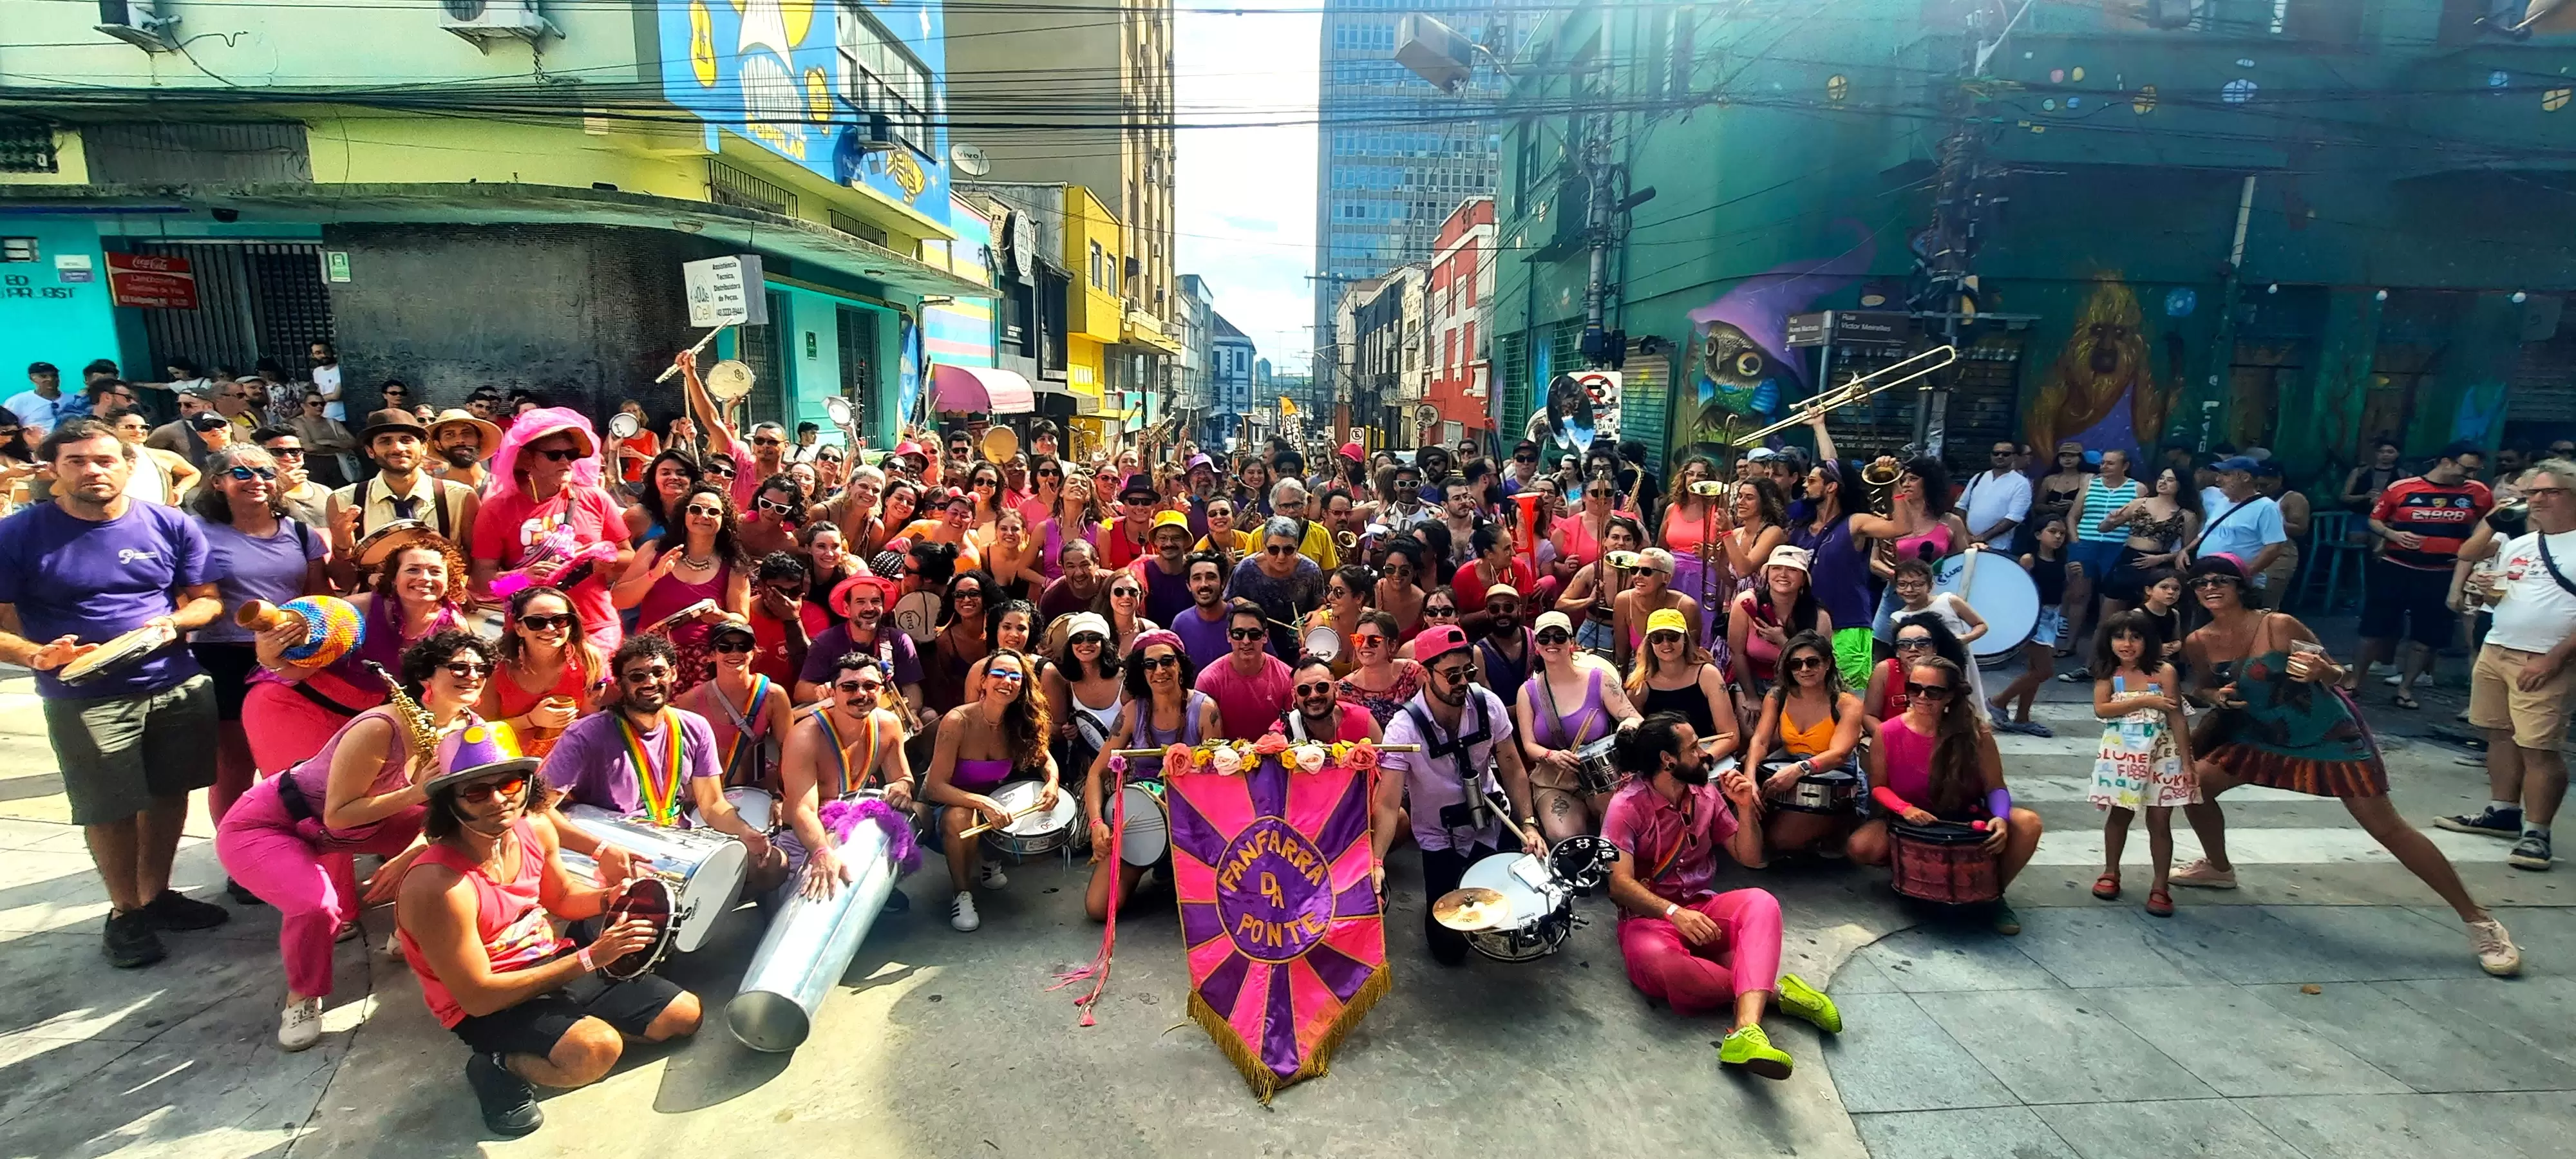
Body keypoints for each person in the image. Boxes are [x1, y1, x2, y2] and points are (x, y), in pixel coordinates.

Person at [2175, 556, 2519, 974]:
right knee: (2192, 786)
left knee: (2387, 827)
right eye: (2200, 583)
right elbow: (2204, 689)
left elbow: (2340, 673)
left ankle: (2479, 919)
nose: (2210, 587)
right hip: (2259, 736)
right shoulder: (2198, 640)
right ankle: (2217, 867)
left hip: (2327, 736)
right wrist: (2215, 697)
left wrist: (2322, 669)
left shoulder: (2278, 625)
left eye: (2221, 580)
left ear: (2242, 584)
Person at [0, 419, 229, 966]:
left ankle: (156, 896)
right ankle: (124, 913)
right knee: (110, 808)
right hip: (83, 693)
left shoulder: (168, 524)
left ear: (130, 466)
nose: (93, 471)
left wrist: (173, 626)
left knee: (172, 793)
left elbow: (206, 599)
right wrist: (34, 654)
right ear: (53, 471)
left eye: (105, 460)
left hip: (174, 682)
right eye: (76, 461)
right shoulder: (18, 534)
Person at [395, 730, 699, 1137]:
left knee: (683, 1017)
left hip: (552, 962)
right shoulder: (438, 887)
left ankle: (568, 1034)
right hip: (488, 1002)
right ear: (450, 802)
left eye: (509, 784)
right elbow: (478, 996)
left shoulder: (534, 828)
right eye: (477, 792)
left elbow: (562, 898)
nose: (500, 800)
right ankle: (497, 1065)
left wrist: (610, 898)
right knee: (595, 1050)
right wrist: (591, 958)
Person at [218, 632, 491, 1050]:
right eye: (458, 666)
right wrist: (419, 793)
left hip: (360, 828)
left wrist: (413, 856)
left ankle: (412, 926)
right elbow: (339, 813)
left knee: (467, 835)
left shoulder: (470, 728)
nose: (472, 675)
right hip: (275, 825)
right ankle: (302, 998)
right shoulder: (380, 726)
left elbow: (454, 815)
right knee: (317, 908)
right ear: (426, 677)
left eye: (480, 668)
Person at [1603, 713, 1841, 1078]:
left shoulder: (1707, 793)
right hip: (1648, 921)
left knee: (1762, 901)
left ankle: (1746, 1030)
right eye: (1695, 747)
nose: (1704, 753)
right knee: (1672, 971)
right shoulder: (1626, 806)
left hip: (1704, 906)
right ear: (1669, 760)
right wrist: (1674, 914)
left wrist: (1744, 807)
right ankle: (1775, 992)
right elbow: (1619, 884)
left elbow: (1750, 857)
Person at [536, 635, 787, 895]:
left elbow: (712, 805)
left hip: (674, 842)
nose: (650, 682)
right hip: (616, 847)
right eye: (637, 677)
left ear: (674, 673)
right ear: (620, 683)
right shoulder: (586, 734)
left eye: (658, 672)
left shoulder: (695, 727)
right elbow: (537, 811)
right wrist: (600, 849)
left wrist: (747, 833)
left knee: (773, 864)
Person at [1371, 625, 1544, 966]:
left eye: (1468, 672)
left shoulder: (1488, 704)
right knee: (1448, 950)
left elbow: (1511, 766)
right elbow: (1389, 803)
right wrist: (1377, 862)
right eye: (1452, 675)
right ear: (1424, 674)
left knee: (1533, 919)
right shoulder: (1402, 729)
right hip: (1440, 836)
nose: (1463, 682)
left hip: (1492, 822)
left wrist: (1529, 824)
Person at [2442, 461, 2576, 870]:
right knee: (2498, 734)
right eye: (2531, 493)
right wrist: (2493, 521)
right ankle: (2503, 811)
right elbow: (2470, 555)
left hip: (2545, 656)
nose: (2535, 500)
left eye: (2547, 492)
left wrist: (2554, 659)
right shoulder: (2521, 542)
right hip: (2498, 647)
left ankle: (2537, 833)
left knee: (2538, 748)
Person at [1850, 655, 2045, 934]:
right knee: (1861, 846)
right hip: (1911, 821)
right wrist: (1904, 809)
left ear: (1951, 696)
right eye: (1914, 688)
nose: (1921, 697)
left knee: (2028, 824)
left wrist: (2000, 818)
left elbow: (1996, 787)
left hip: (1965, 819)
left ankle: (1993, 895)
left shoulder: (1976, 734)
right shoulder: (1887, 731)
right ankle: (1917, 876)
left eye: (1933, 691)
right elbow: (1879, 786)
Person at [189, 444, 328, 830]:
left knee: (295, 757)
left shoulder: (301, 533)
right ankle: (239, 850)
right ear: (217, 482)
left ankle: (295, 840)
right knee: (234, 763)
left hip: (292, 657)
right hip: (225, 657)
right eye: (242, 473)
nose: (257, 481)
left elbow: (320, 600)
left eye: (266, 473)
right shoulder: (196, 534)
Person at [247, 538, 468, 775]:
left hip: (365, 720)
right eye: (413, 569)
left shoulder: (453, 626)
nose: (424, 578)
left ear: (449, 581)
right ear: (394, 578)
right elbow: (296, 671)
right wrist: (268, 653)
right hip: (298, 702)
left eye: (435, 571)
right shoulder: (353, 611)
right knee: (304, 793)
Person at [1082, 631, 1219, 920]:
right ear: (1141, 672)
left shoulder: (1206, 711)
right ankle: (1157, 863)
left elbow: (1216, 785)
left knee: (1206, 912)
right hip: (1142, 821)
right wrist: (1097, 825)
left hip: (1192, 822)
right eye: (1150, 665)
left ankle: (1172, 865)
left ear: (1180, 665)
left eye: (1167, 661)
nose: (1159, 671)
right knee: (1098, 908)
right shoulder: (1133, 712)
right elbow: (1096, 774)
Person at [922, 648, 1059, 932]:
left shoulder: (1019, 720)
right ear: (983, 681)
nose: (1006, 681)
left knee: (1039, 833)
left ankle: (990, 857)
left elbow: (1046, 760)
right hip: (947, 810)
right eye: (998, 673)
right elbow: (935, 787)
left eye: (1015, 676)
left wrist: (1052, 783)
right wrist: (982, 803)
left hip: (995, 806)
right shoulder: (958, 720)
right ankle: (962, 894)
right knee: (961, 815)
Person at [775, 652, 916, 913]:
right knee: (811, 908)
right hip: (807, 833)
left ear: (881, 689)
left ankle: (873, 887)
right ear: (832, 692)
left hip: (858, 823)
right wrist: (822, 852)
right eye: (849, 687)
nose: (861, 694)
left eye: (870, 686)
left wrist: (903, 787)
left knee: (920, 818)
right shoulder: (805, 736)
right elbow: (802, 810)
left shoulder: (889, 724)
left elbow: (903, 778)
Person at [2353, 440, 2489, 710]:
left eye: (2475, 470)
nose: (2470, 475)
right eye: (2467, 469)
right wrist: (2392, 534)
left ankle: (2406, 689)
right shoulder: (2402, 488)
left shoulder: (2479, 492)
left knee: (2426, 638)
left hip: (2442, 573)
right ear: (2446, 461)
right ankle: (2354, 682)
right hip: (2396, 568)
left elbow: (2489, 523)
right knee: (2373, 628)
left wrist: (2473, 549)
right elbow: (2375, 519)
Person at [2085, 610, 2195, 916]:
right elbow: (2102, 709)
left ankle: (2160, 885)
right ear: (2108, 641)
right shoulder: (2108, 672)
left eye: (2136, 637)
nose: (2127, 644)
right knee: (2119, 815)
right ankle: (2111, 871)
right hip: (2123, 756)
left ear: (2150, 641)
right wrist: (2146, 700)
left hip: (2163, 754)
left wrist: (2188, 764)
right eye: (2119, 637)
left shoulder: (2163, 672)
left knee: (2160, 821)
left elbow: (2177, 717)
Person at [1516, 610, 1643, 841]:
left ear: (1572, 642)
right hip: (1554, 779)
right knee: (1564, 836)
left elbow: (1634, 717)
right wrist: (1552, 755)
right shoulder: (1528, 691)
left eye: (1559, 637)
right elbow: (1528, 745)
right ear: (1537, 645)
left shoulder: (1599, 678)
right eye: (1544, 638)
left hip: (1602, 774)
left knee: (1617, 830)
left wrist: (1627, 727)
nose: (1552, 643)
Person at [2065, 466, 2200, 681]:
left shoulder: (2186, 515)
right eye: (2162, 478)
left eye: (2170, 480)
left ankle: (2146, 668)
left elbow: (2186, 551)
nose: (2163, 483)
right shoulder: (2140, 503)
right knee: (2108, 620)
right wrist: (2111, 518)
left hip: (2157, 565)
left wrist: (2161, 559)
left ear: (2180, 485)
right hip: (2128, 560)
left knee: (2151, 621)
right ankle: (2092, 667)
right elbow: (2103, 528)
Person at [1741, 630, 1869, 857]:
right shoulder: (1778, 695)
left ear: (1827, 663)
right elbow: (1760, 740)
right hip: (1787, 766)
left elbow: (1839, 754)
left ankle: (1837, 827)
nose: (1804, 670)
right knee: (1744, 818)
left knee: (1778, 841)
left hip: (1832, 777)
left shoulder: (1846, 703)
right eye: (1796, 664)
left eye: (1812, 662)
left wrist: (1800, 769)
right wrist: (1750, 778)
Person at [325, 408, 480, 593]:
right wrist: (342, 549)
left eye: (406, 440)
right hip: (375, 608)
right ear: (370, 451)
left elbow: (475, 568)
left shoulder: (460, 497)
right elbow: (344, 582)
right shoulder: (344, 500)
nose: (398, 448)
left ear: (424, 448)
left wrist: (440, 544)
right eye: (385, 441)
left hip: (437, 608)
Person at [612, 482, 746, 693]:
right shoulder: (655, 549)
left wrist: (721, 616)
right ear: (684, 514)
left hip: (705, 665)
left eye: (713, 511)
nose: (704, 516)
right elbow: (619, 600)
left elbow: (741, 618)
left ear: (724, 519)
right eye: (695, 509)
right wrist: (654, 575)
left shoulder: (734, 565)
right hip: (652, 661)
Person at [480, 585, 602, 759]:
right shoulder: (497, 667)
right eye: (536, 622)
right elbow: (483, 730)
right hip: (511, 762)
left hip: (571, 757)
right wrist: (531, 720)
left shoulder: (588, 658)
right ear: (519, 628)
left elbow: (590, 719)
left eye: (560, 620)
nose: (550, 629)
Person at [674, 614, 794, 791]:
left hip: (758, 789)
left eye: (743, 646)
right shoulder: (690, 702)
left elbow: (790, 752)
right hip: (710, 795)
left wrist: (779, 796)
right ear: (712, 655)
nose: (735, 652)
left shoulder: (773, 696)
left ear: (753, 653)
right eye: (725, 647)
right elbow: (679, 759)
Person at [799, 576, 929, 728]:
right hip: (842, 720)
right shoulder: (825, 642)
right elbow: (801, 690)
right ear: (847, 608)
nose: (869, 608)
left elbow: (912, 688)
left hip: (888, 717)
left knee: (929, 718)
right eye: (860, 602)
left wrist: (912, 712)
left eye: (875, 601)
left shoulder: (899, 640)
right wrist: (821, 690)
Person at [1985, 518, 2070, 734]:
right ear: (2039, 535)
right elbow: (2017, 586)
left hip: (2052, 616)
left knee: (2035, 670)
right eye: (2053, 531)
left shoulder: (2063, 561)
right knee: (2044, 670)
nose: (2058, 536)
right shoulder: (2029, 559)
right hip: (2033, 616)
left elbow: (2066, 592)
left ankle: (2023, 717)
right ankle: (1998, 701)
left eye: (2062, 533)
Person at [1627, 607, 1738, 760]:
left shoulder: (1708, 675)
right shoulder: (1639, 685)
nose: (1665, 643)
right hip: (1663, 763)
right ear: (1650, 643)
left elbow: (1730, 735)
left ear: (1685, 638)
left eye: (1672, 636)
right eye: (1657, 638)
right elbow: (1636, 739)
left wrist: (1703, 760)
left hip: (1704, 754)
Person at [2060, 448, 2141, 659]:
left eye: (2110, 463)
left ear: (2125, 466)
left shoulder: (2137, 489)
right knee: (2079, 594)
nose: (2104, 467)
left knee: (2109, 602)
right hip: (2086, 545)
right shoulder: (2090, 485)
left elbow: (2141, 521)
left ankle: (2101, 652)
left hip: (2117, 548)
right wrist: (2076, 543)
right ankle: (2069, 644)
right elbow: (2072, 517)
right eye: (2103, 463)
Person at [1727, 545, 1831, 696]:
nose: (1783, 574)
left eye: (1792, 570)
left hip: (1800, 685)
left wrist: (1782, 640)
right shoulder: (1747, 602)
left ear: (1803, 580)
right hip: (1751, 681)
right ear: (1767, 574)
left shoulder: (1819, 616)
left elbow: (1819, 665)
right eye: (1776, 568)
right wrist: (1751, 698)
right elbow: (1736, 653)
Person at [2187, 456, 2287, 608]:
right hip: (2205, 581)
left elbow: (2274, 547)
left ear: (2246, 477)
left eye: (2226, 475)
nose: (2218, 480)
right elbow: (2205, 532)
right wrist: (2185, 551)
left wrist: (2243, 575)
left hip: (2237, 587)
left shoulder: (2266, 507)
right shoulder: (2222, 503)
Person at [1195, 598, 1294, 739]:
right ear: (1229, 636)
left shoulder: (1287, 677)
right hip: (1224, 757)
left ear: (1265, 636)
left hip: (1275, 757)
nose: (1246, 641)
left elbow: (1293, 730)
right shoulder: (1209, 680)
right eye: (1238, 634)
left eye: (1254, 634)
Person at [1227, 516, 1325, 659]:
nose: (1281, 557)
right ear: (1263, 547)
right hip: (1256, 646)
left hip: (1298, 647)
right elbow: (1228, 602)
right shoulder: (1246, 569)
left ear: (1297, 546)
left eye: (1288, 550)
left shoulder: (1310, 570)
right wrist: (1238, 603)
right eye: (1273, 549)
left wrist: (1317, 614)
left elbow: (1321, 604)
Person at [1554, 514, 1645, 652]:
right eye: (1615, 537)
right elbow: (1560, 605)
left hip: (1631, 636)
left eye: (1627, 539)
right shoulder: (1591, 571)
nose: (1621, 543)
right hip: (1593, 634)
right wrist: (1589, 601)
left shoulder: (1644, 573)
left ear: (1634, 545)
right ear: (1605, 542)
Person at [1166, 550, 1233, 678]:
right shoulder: (1181, 623)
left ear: (1223, 582)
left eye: (1211, 577)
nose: (1204, 584)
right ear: (1189, 586)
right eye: (1197, 578)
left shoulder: (1242, 620)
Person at [1959, 440, 2032, 549]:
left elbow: (2014, 518)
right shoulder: (1979, 477)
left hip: (1998, 547)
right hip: (1967, 544)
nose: (2000, 457)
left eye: (2006, 454)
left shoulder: (2021, 483)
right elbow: (1961, 506)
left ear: (2014, 457)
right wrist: (1965, 535)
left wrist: (1982, 537)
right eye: (1996, 453)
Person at [428, 409, 502, 493]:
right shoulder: (430, 491)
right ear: (438, 445)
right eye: (450, 435)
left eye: (467, 433)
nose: (460, 440)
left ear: (479, 440)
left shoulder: (501, 487)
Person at [2341, 437, 2404, 514]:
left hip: (2388, 517)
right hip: (2361, 515)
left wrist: (2385, 499)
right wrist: (2364, 497)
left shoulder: (2403, 475)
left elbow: (2407, 500)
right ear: (2376, 454)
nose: (2385, 455)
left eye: (2390, 452)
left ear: (2398, 454)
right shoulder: (2360, 472)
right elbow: (2344, 497)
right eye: (2381, 452)